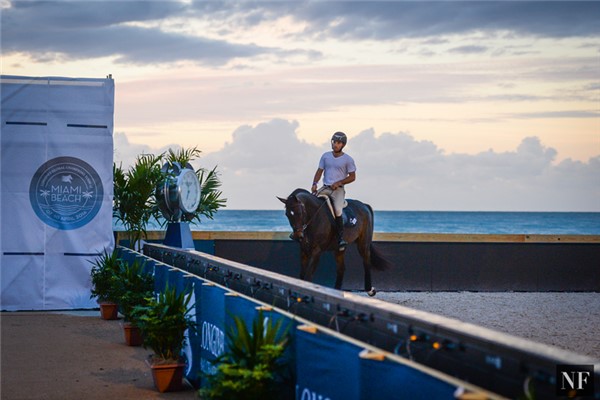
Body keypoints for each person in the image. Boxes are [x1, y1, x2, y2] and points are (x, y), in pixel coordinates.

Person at [311, 131, 356, 251]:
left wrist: (339, 183)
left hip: (338, 190)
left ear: (343, 145)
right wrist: (315, 183)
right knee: (313, 203)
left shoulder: (348, 159)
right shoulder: (325, 156)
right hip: (325, 187)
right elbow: (319, 171)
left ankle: (340, 238)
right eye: (334, 142)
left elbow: (352, 177)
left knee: (337, 210)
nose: (335, 145)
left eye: (338, 143)